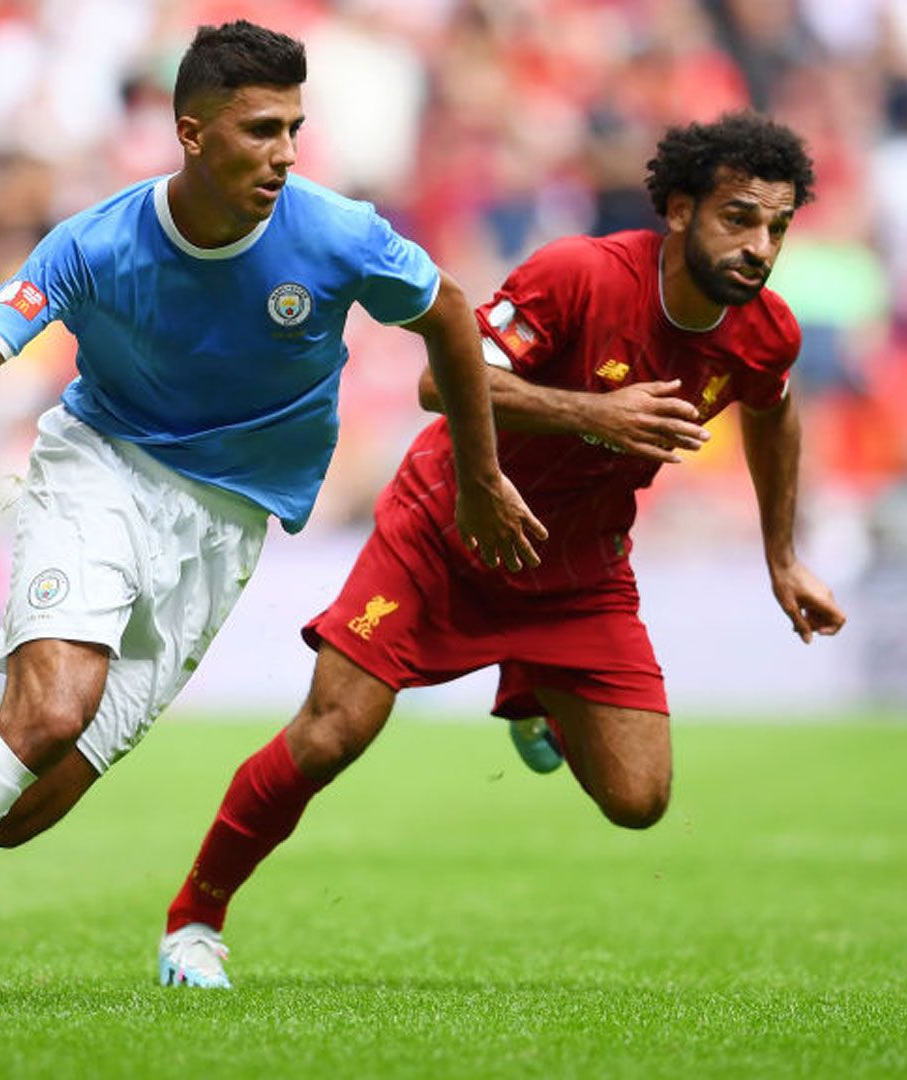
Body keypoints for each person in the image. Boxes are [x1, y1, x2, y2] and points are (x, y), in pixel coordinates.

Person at [0, 21, 544, 1007]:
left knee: (21, 808)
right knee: (47, 711)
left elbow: (450, 316)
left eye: (295, 128)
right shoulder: (94, 244)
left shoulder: (338, 233)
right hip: (102, 471)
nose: (285, 153)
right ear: (192, 132)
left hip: (225, 525)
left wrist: (478, 473)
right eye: (260, 130)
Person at [152, 113, 847, 989]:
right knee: (333, 734)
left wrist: (781, 557)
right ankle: (193, 924)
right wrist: (598, 413)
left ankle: (528, 685)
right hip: (446, 530)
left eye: (778, 227)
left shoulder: (765, 331)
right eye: (739, 218)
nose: (761, 245)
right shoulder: (578, 274)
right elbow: (440, 381)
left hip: (576, 570)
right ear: (679, 209)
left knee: (640, 801)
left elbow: (774, 409)